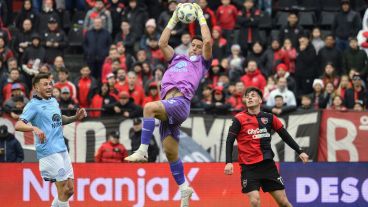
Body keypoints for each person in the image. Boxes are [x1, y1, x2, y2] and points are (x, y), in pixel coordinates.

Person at [125, 3, 212, 206]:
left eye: (199, 47)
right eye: (194, 45)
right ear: (189, 46)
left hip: (180, 102)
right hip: (168, 105)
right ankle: (184, 189)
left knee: (148, 107)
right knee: (170, 152)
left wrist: (200, 16)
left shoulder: (202, 63)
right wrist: (173, 19)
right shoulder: (177, 58)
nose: (197, 48)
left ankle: (143, 149)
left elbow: (207, 41)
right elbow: (162, 43)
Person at [224, 87, 309, 207]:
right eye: (247, 96)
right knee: (254, 201)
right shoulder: (239, 119)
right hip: (248, 168)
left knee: (283, 202)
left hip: (267, 165)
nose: (249, 98)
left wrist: (299, 151)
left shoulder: (269, 117)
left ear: (260, 100)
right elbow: (229, 140)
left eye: (253, 95)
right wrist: (228, 162)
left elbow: (285, 135)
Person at [15, 73, 87, 207]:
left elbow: (59, 119)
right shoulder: (33, 105)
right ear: (36, 88)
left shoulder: (53, 101)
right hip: (48, 151)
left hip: (61, 149)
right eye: (45, 84)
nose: (49, 87)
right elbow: (18, 125)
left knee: (69, 190)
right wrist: (34, 129)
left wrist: (74, 118)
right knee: (63, 188)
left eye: (50, 84)